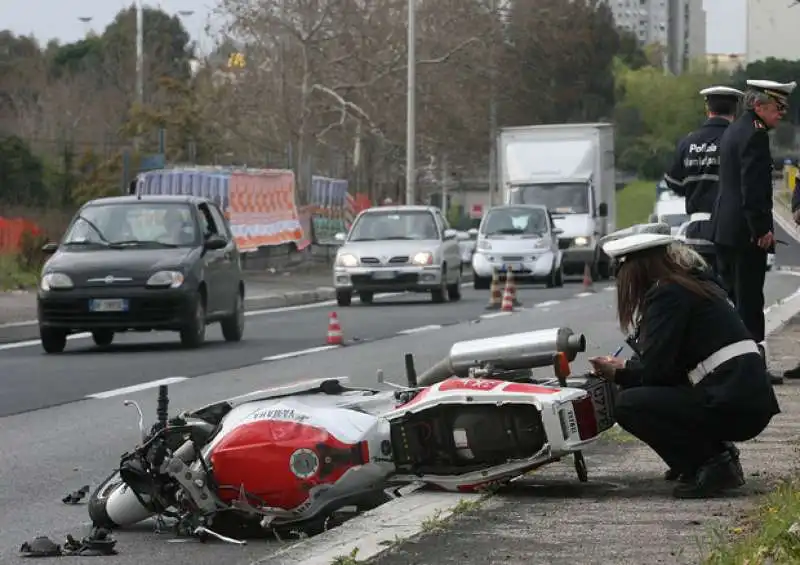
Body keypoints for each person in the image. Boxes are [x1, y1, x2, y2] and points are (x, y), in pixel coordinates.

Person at [589, 232, 780, 499]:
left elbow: (656, 372)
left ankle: (711, 464)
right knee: (649, 396)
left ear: (635, 268)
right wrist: (629, 367)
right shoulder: (694, 285)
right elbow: (671, 364)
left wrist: (619, 372)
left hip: (733, 401)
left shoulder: (669, 294)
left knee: (628, 404)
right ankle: (710, 457)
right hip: (744, 398)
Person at [710, 79, 796, 385]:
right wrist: (761, 229)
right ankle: (753, 367)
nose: (782, 113)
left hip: (725, 229)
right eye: (778, 107)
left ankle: (733, 363)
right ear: (759, 106)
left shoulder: (735, 129)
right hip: (745, 232)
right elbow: (754, 188)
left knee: (732, 300)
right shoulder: (756, 136)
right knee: (749, 302)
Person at [664, 86, 744, 242]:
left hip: (696, 229)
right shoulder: (741, 141)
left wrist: (696, 190)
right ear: (735, 110)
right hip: (732, 230)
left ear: (707, 108)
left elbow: (673, 182)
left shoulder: (688, 142)